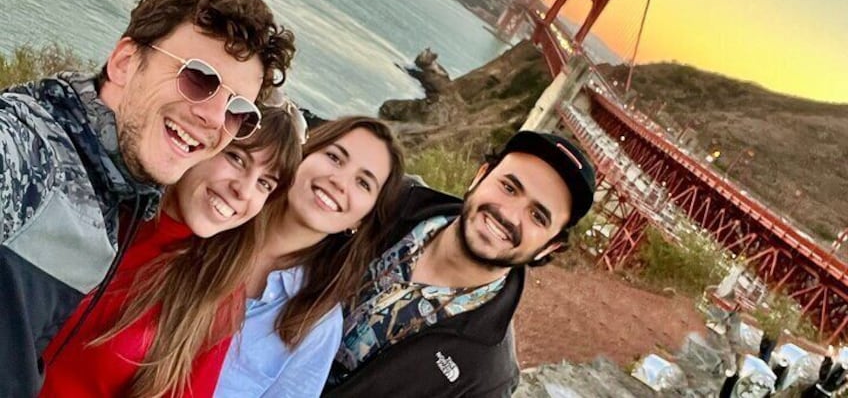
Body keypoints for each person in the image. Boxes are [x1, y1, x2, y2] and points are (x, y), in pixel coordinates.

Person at [0, 0, 296, 396]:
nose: (214, 117)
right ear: (124, 61)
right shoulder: (32, 151)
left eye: (238, 112)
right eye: (199, 78)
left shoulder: (120, 198)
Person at [39, 104, 305, 398]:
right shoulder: (100, 201)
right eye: (237, 159)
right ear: (199, 143)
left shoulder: (216, 299)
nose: (244, 190)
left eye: (265, 183)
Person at [323, 130, 597, 397]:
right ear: (480, 176)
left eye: (537, 216)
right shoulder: (387, 197)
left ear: (549, 247)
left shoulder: (486, 378)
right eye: (509, 187)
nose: (509, 215)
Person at [214, 116, 405, 398]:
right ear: (306, 152)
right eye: (334, 157)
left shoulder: (317, 327)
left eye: (363, 183)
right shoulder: (216, 216)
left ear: (362, 221)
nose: (339, 182)